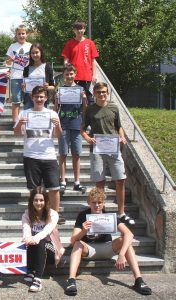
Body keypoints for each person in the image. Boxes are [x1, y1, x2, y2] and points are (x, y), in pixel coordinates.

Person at [64, 188, 152, 296]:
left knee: (125, 241)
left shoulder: (109, 216)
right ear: (89, 203)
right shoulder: (82, 215)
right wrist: (84, 231)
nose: (97, 205)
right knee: (77, 244)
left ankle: (139, 280)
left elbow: (129, 234)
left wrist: (121, 254)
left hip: (107, 248)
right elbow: (73, 240)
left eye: (99, 202)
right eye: (94, 202)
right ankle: (71, 281)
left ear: (103, 203)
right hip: (89, 249)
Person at [81, 82, 134, 225]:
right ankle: (100, 211)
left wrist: (122, 137)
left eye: (104, 92)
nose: (101, 94)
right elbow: (82, 129)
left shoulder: (114, 107)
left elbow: (119, 127)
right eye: (99, 92)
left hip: (113, 147)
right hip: (97, 149)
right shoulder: (90, 109)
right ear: (95, 93)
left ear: (107, 93)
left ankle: (121, 212)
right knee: (100, 181)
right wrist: (88, 138)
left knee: (120, 179)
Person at [13, 86, 64, 223]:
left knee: (54, 188)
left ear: (46, 98)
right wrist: (20, 125)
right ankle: (35, 215)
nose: (39, 99)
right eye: (37, 97)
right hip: (31, 155)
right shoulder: (24, 113)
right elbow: (16, 133)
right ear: (32, 98)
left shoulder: (52, 114)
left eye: (42, 97)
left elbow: (58, 135)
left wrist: (58, 125)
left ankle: (55, 216)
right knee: (34, 190)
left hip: (49, 156)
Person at [22, 186, 64, 292]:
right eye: (36, 200)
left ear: (46, 201)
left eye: (41, 200)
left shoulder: (53, 214)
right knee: (29, 241)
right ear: (32, 201)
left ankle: (37, 279)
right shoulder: (27, 214)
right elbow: (26, 230)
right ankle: (30, 270)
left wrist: (32, 239)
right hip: (35, 250)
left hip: (50, 250)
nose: (38, 203)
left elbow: (46, 232)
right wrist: (26, 238)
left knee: (40, 241)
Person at [54, 64, 87, 193]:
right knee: (62, 154)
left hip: (76, 124)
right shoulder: (60, 89)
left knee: (76, 154)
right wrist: (56, 100)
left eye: (71, 74)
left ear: (75, 74)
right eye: (67, 74)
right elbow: (55, 110)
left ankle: (77, 182)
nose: (69, 76)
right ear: (64, 75)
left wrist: (84, 100)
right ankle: (62, 181)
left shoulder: (80, 89)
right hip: (63, 124)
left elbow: (84, 110)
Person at [61, 21, 99, 105]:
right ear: (74, 30)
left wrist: (94, 75)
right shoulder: (69, 43)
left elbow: (93, 61)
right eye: (77, 29)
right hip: (73, 76)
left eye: (81, 28)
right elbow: (66, 60)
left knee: (89, 100)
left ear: (84, 29)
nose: (79, 31)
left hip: (87, 76)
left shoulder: (90, 43)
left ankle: (90, 118)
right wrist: (65, 74)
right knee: (74, 100)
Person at [6, 24, 32, 122]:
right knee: (16, 100)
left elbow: (35, 59)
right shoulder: (12, 46)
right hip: (15, 76)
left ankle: (28, 122)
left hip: (28, 77)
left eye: (23, 33)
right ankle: (15, 123)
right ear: (16, 35)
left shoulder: (30, 46)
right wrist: (11, 59)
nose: (21, 35)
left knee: (29, 101)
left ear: (27, 34)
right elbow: (7, 62)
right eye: (19, 34)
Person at [22, 43, 55, 109]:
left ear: (41, 53)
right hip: (29, 101)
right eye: (32, 53)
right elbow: (24, 89)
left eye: (37, 52)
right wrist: (23, 87)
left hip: (43, 102)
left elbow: (53, 87)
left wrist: (47, 87)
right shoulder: (26, 69)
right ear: (30, 54)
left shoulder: (47, 67)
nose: (34, 55)